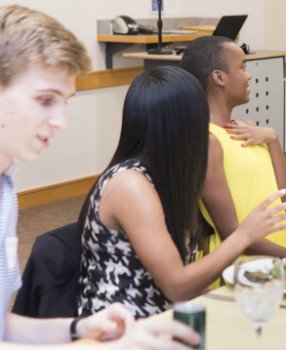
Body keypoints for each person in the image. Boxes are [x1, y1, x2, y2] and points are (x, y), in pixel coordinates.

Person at [0, 5, 200, 349]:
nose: (61, 120)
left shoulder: (6, 188)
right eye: (46, 99)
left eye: (65, 101)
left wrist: (81, 329)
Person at [75, 66, 286, 317]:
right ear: (180, 124)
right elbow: (177, 286)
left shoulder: (161, 176)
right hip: (127, 329)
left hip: (166, 316)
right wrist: (244, 234)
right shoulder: (131, 185)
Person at [180, 36, 286, 273]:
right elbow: (231, 233)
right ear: (219, 77)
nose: (249, 75)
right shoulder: (207, 140)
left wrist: (273, 139)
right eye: (243, 67)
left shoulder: (250, 130)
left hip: (284, 251)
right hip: (244, 267)